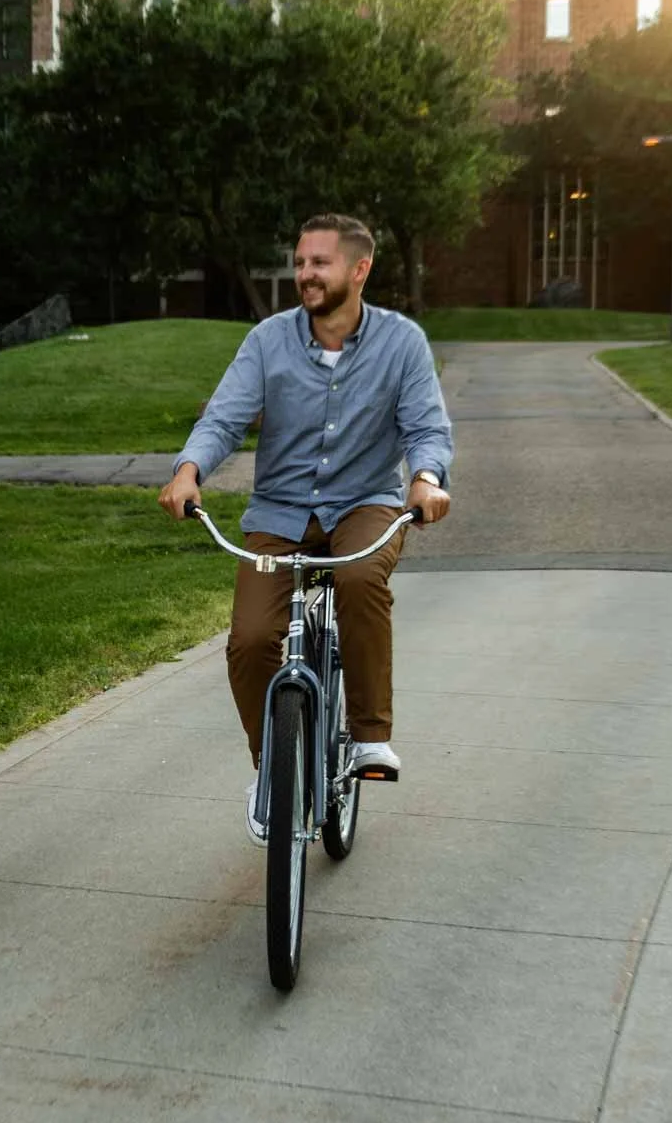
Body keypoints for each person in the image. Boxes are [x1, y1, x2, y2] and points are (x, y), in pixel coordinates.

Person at [158, 214, 453, 847]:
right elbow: (225, 418)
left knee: (356, 576)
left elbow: (427, 428)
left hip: (364, 503)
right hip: (279, 512)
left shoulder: (401, 343)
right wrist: (188, 472)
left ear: (359, 269)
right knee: (251, 639)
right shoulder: (268, 340)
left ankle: (370, 735)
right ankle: (275, 771)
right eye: (300, 262)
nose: (305, 274)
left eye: (319, 262)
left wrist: (425, 479)